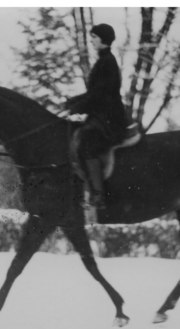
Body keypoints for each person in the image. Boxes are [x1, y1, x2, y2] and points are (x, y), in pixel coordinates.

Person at [65, 23, 127, 209]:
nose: (91, 40)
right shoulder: (103, 61)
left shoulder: (107, 61)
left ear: (103, 39)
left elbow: (100, 95)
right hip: (101, 115)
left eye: (94, 37)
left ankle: (98, 194)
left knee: (87, 145)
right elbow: (94, 92)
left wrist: (79, 106)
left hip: (109, 118)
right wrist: (72, 102)